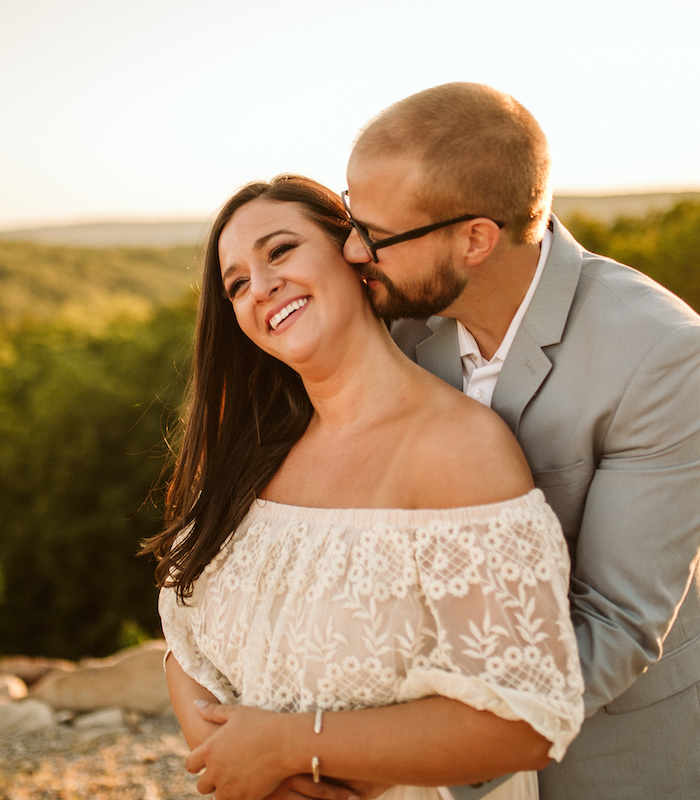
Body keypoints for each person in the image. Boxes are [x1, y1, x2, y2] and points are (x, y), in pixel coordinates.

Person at [341, 82, 700, 799]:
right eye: (351, 216)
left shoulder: (662, 353)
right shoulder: (396, 328)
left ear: (475, 238)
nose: (351, 250)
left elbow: (617, 621)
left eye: (374, 234)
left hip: (625, 761)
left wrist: (418, 754)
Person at [143, 175, 585, 800]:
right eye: (237, 283)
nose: (261, 288)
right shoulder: (246, 458)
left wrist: (289, 749)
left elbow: (522, 721)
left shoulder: (457, 449)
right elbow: (185, 650)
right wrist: (239, 763)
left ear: (356, 256)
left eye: (280, 252)